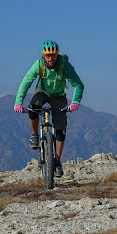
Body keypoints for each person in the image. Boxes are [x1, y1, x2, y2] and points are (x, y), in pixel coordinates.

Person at [14, 39, 84, 178]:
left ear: (57, 54)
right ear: (43, 55)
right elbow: (26, 82)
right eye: (47, 55)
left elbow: (78, 84)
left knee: (60, 129)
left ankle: (57, 162)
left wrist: (75, 101)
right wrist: (18, 102)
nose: (50, 58)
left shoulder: (65, 65)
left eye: (53, 55)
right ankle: (35, 135)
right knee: (33, 108)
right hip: (42, 91)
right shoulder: (38, 65)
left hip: (58, 95)